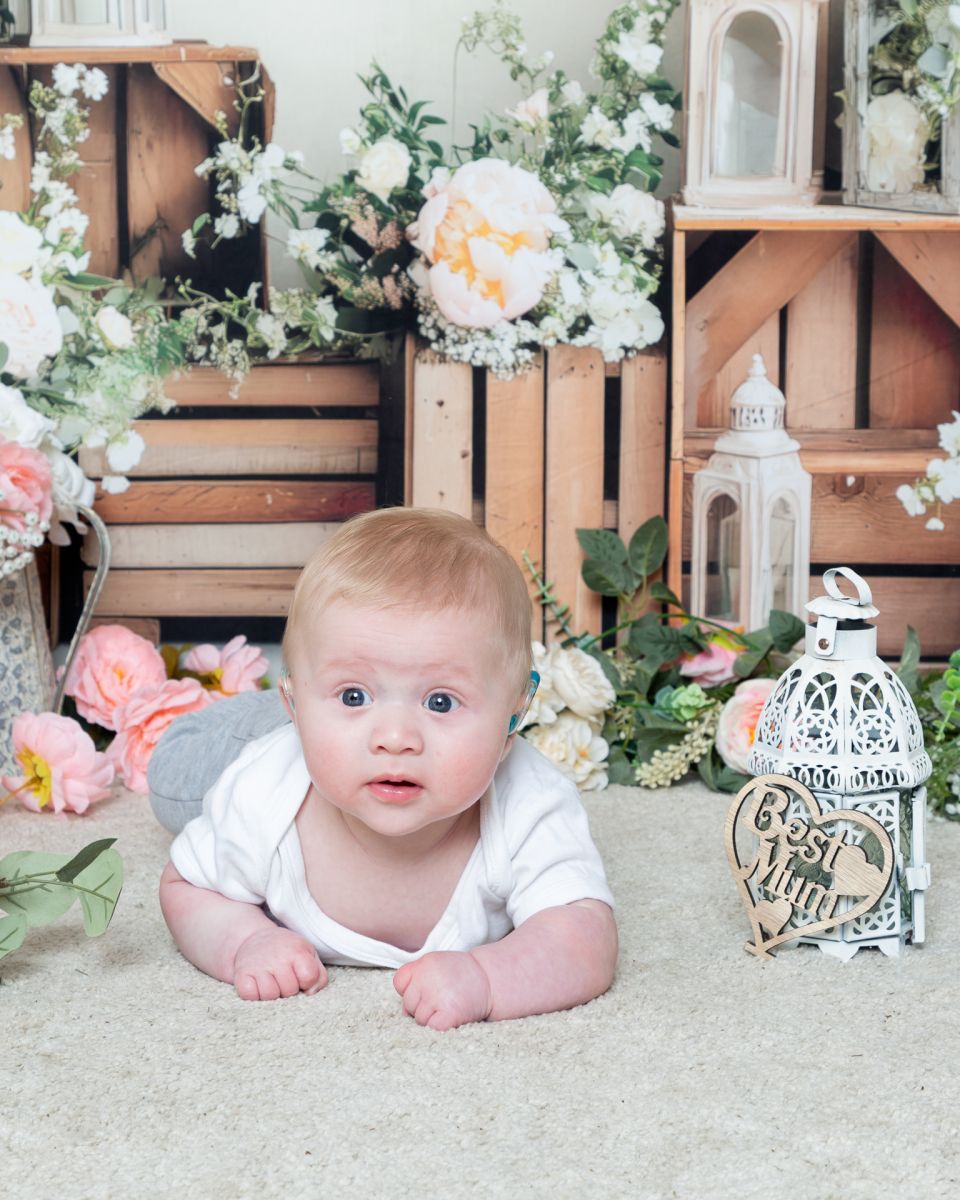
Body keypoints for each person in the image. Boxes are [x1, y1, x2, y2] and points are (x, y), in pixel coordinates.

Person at [155, 507, 617, 1030]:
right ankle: (273, 706)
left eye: (441, 702)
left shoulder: (529, 801)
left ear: (515, 715)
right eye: (355, 694)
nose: (395, 738)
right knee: (170, 783)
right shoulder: (262, 788)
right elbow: (186, 885)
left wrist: (488, 979)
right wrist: (245, 939)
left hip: (325, 729)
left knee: (343, 719)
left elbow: (584, 940)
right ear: (295, 703)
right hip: (255, 740)